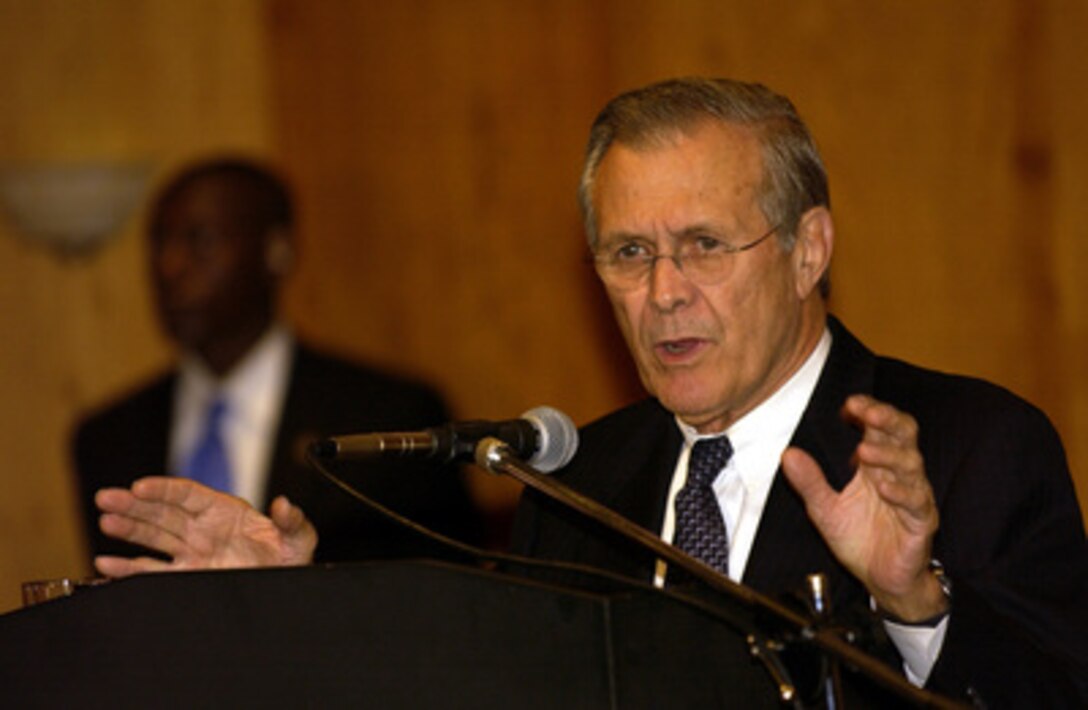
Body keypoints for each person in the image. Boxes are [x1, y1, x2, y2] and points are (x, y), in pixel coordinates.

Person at [92, 82, 1088, 706]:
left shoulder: (971, 446)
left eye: (702, 244)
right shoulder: (579, 483)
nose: (661, 292)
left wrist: (916, 604)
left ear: (807, 248)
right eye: (627, 252)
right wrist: (303, 608)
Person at [73, 157, 483, 565]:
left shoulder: (390, 416)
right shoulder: (109, 439)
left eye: (201, 241)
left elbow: (443, 601)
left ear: (276, 252)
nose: (170, 266)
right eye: (160, 242)